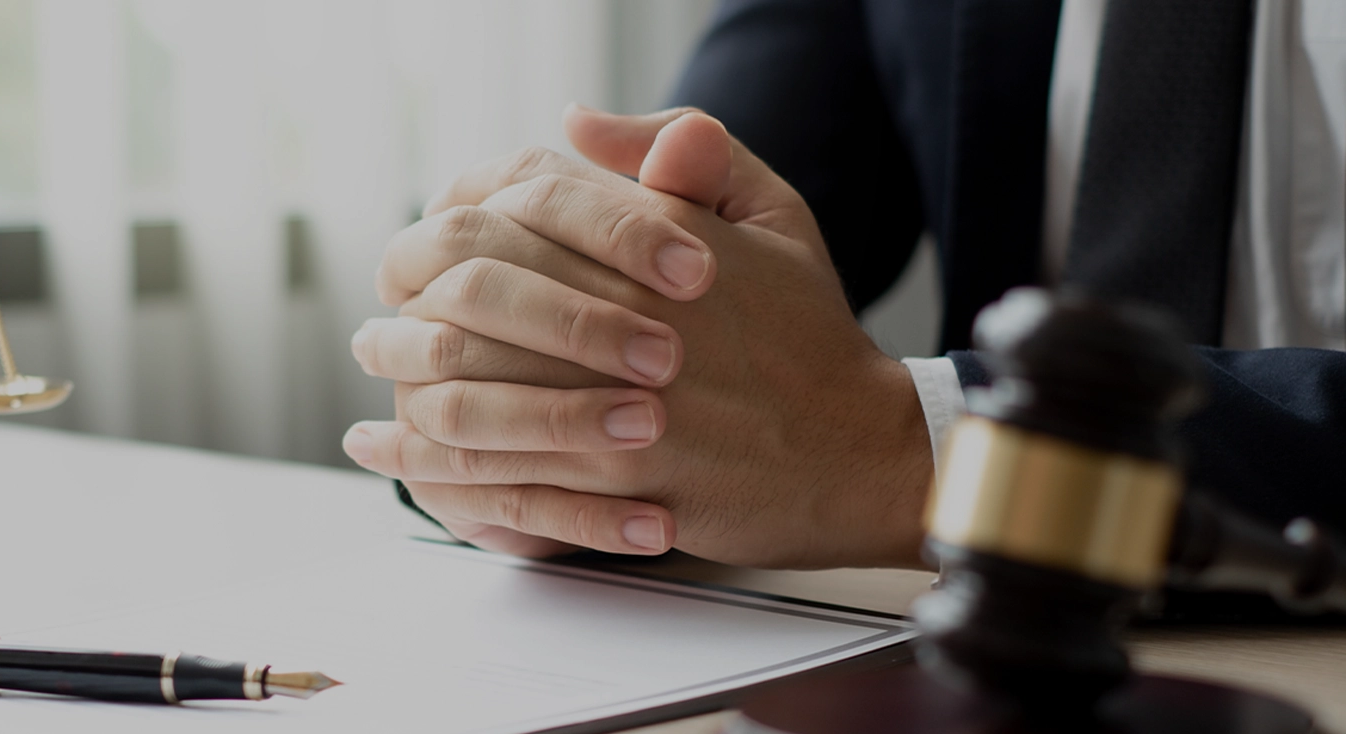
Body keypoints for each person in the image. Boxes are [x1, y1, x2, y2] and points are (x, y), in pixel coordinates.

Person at [341, 0, 1345, 575]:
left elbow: (846, 429)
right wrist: (547, 366)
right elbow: (698, 229)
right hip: (974, 703)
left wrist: (930, 451)